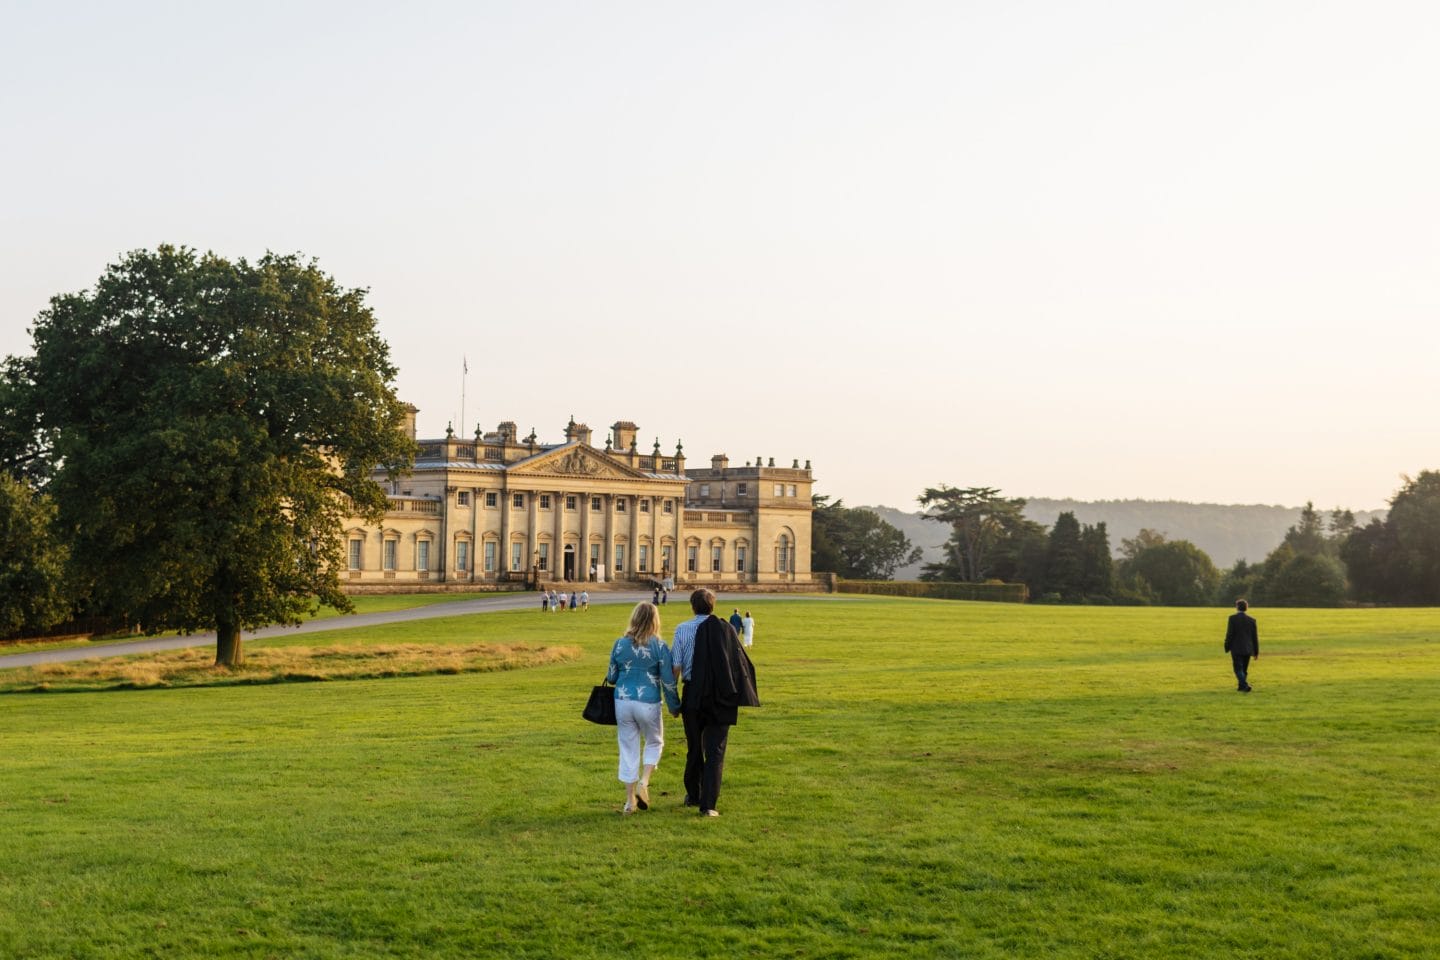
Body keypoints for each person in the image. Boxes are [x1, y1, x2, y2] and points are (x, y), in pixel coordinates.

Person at [671, 588, 760, 817]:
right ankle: (708, 805)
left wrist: (674, 700)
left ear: (692, 606)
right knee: (715, 751)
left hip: (693, 695)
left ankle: (693, 794)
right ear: (713, 605)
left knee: (694, 748)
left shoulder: (682, 629)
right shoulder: (727, 629)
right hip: (720, 695)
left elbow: (676, 669)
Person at [606, 602, 679, 814]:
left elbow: (611, 677)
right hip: (648, 702)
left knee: (628, 749)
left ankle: (630, 802)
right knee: (654, 742)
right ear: (655, 621)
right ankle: (644, 782)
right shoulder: (659, 646)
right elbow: (668, 682)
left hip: (622, 701)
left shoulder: (620, 644)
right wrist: (674, 706)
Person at [1224, 599, 1260, 693]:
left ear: (1237, 607)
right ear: (1246, 608)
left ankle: (1244, 685)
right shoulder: (1252, 620)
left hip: (1236, 648)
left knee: (1238, 669)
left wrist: (1227, 645)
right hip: (1248, 648)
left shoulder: (1232, 618)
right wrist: (1256, 652)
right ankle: (1241, 687)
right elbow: (1254, 637)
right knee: (1244, 669)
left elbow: (1230, 634)